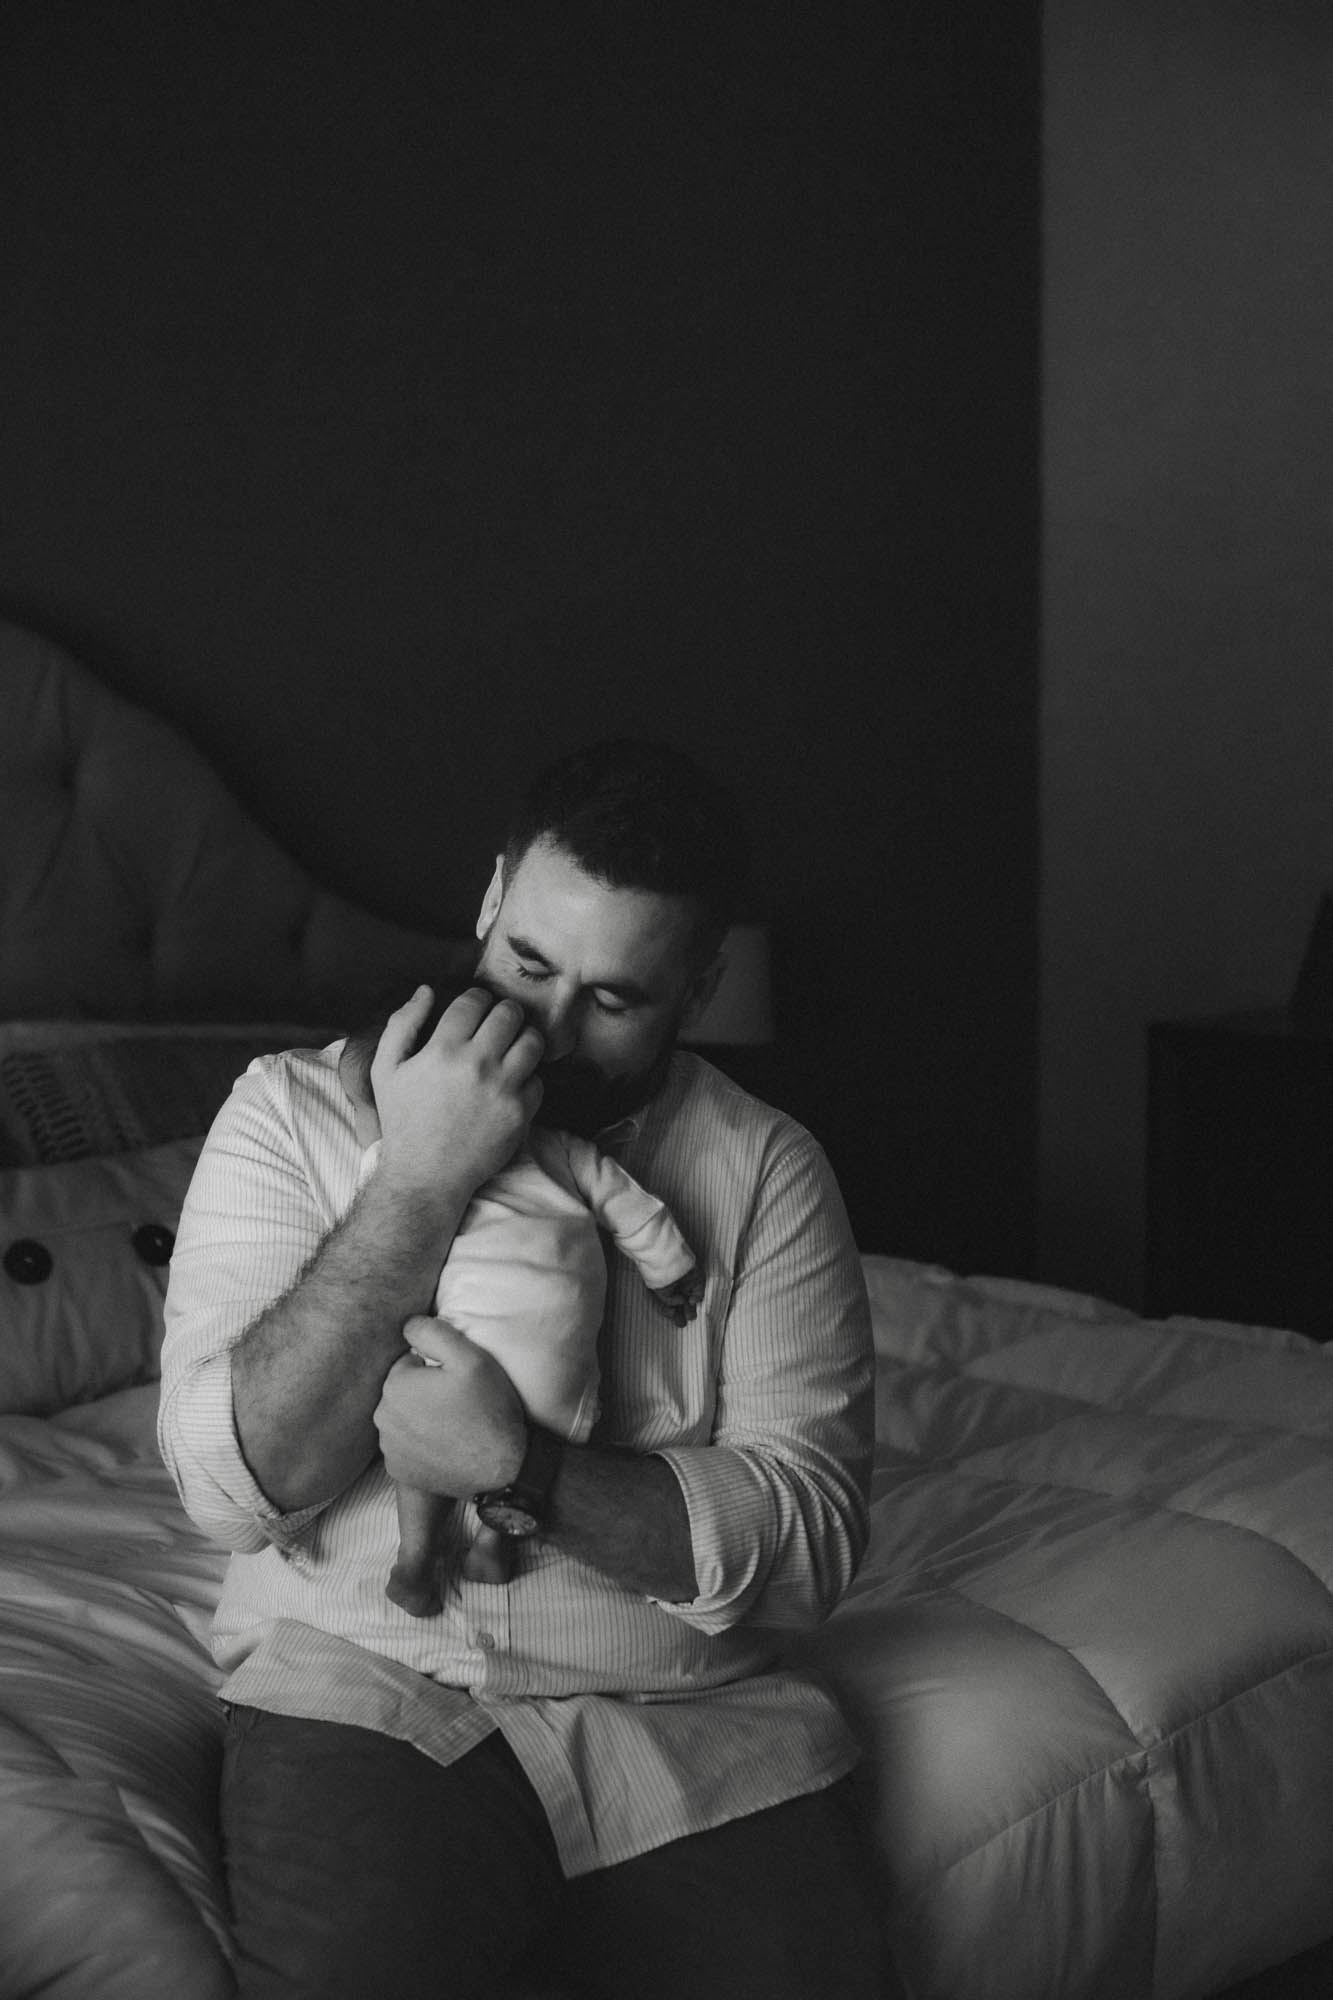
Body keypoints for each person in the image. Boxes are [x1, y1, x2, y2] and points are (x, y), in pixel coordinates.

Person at [158, 738, 890, 2000]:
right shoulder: (289, 1112)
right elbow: (236, 1492)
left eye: (615, 998)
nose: (546, 1030)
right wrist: (424, 1177)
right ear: (491, 901)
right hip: (364, 1677)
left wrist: (523, 1466)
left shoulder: (764, 1168)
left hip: (681, 1715)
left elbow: (811, 1540)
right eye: (530, 962)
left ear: (699, 986)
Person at [341, 1021, 704, 1604]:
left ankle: (423, 1555)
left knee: (423, 1449)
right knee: (432, 1442)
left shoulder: (535, 1150)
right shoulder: (555, 1154)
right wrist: (669, 1268)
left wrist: (669, 1269)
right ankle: (477, 1548)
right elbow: (633, 1210)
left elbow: (627, 1205)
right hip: (549, 1358)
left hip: (474, 1353)